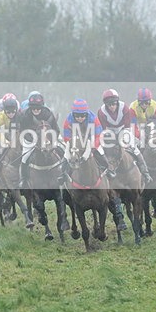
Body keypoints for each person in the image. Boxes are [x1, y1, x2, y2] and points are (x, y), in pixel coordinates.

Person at [63, 98, 126, 231]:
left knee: (102, 155)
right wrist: (75, 146)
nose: (80, 118)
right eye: (77, 116)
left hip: (92, 142)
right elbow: (67, 137)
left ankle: (109, 171)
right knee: (65, 158)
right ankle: (63, 175)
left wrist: (91, 148)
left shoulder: (93, 118)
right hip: (75, 144)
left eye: (82, 116)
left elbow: (98, 136)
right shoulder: (68, 120)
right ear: (74, 114)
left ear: (86, 114)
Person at [97, 88, 153, 185]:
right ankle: (102, 174)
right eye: (109, 104)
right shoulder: (101, 112)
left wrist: (122, 140)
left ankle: (145, 173)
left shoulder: (124, 108)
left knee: (134, 148)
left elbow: (127, 125)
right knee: (101, 149)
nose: (112, 107)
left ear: (117, 102)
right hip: (109, 131)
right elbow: (103, 128)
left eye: (114, 104)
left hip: (124, 129)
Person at [16, 92, 60, 189]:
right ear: (30, 107)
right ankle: (24, 179)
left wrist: (52, 141)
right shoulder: (24, 115)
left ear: (42, 107)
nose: (36, 110)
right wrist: (34, 141)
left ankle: (64, 176)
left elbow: (56, 130)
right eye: (33, 108)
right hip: (30, 139)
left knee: (62, 151)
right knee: (25, 157)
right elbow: (22, 131)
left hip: (47, 139)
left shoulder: (48, 114)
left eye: (38, 108)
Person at [0, 96, 21, 183]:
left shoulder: (19, 115)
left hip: (14, 135)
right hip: (1, 135)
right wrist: (6, 142)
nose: (11, 114)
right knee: (0, 150)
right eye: (8, 112)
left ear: (16, 110)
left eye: (13, 112)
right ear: (4, 110)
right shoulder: (0, 117)